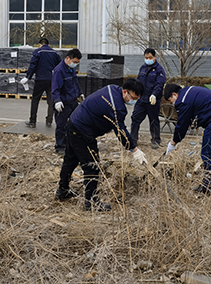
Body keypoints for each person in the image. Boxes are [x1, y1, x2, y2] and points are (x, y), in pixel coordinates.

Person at [56, 78, 147, 211]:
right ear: (125, 92)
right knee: (92, 166)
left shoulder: (112, 88)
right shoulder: (117, 107)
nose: (134, 101)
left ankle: (62, 190)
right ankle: (91, 202)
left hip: (73, 123)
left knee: (70, 160)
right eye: (133, 97)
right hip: (82, 131)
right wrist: (134, 149)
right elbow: (120, 130)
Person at [163, 83, 211, 199]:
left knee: (209, 156)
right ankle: (206, 186)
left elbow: (181, 125)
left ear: (174, 94)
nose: (173, 103)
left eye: (171, 100)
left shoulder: (182, 100)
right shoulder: (189, 91)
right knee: (208, 154)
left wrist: (173, 142)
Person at [130, 48, 167, 149]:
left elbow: (159, 84)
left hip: (152, 101)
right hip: (142, 99)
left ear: (155, 57)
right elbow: (138, 82)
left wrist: (154, 94)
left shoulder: (159, 70)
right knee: (135, 119)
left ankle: (156, 140)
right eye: (146, 58)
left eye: (150, 57)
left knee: (153, 121)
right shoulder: (142, 68)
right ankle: (133, 140)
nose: (148, 59)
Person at [22, 38, 61, 128]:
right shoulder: (54, 53)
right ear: (48, 45)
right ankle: (49, 121)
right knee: (51, 101)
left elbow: (33, 65)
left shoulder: (38, 52)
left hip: (40, 79)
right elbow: (59, 66)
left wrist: (27, 77)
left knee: (35, 100)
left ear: (40, 44)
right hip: (51, 80)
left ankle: (32, 121)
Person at [51, 48, 84, 155]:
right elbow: (55, 88)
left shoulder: (71, 69)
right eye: (74, 62)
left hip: (72, 101)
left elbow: (75, 83)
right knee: (61, 125)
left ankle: (72, 143)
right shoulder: (59, 70)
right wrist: (57, 101)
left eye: (77, 63)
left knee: (77, 122)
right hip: (63, 102)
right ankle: (60, 146)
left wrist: (80, 93)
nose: (76, 64)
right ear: (68, 58)